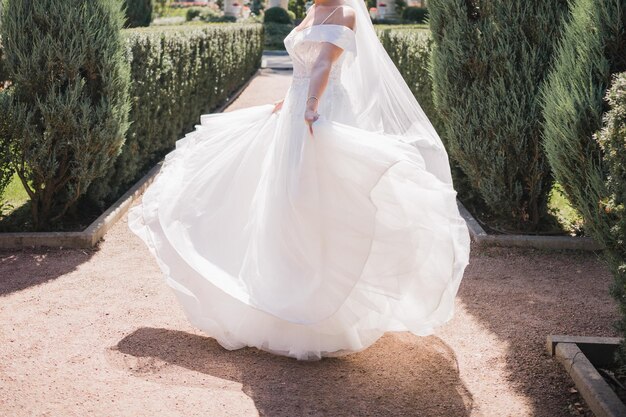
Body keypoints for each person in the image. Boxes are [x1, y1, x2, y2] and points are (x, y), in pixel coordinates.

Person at [128, 0, 471, 361]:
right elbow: (302, 67)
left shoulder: (346, 14)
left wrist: (310, 105)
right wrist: (288, 101)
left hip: (324, 111)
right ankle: (283, 298)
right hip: (295, 112)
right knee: (284, 202)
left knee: (320, 206)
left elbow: (324, 62)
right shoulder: (312, 11)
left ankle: (326, 316)